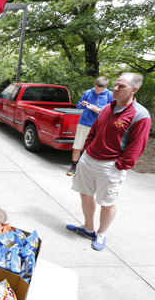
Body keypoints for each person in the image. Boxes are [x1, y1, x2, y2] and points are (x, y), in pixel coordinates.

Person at [66, 72, 151, 251]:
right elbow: (94, 131)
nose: (115, 88)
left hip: (111, 165)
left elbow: (137, 146)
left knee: (106, 202)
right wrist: (86, 150)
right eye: (116, 84)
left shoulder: (140, 115)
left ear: (134, 90)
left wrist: (120, 165)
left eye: (122, 86)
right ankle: (88, 228)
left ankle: (101, 233)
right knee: (85, 194)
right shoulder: (107, 108)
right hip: (90, 159)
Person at [67, 77, 113, 176]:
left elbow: (112, 110)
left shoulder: (110, 95)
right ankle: (74, 166)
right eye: (96, 88)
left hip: (99, 125)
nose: (97, 91)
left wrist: (101, 111)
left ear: (105, 87)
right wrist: (82, 104)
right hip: (84, 123)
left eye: (100, 89)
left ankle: (88, 169)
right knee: (77, 145)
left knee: (94, 148)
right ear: (94, 84)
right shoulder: (88, 92)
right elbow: (78, 106)